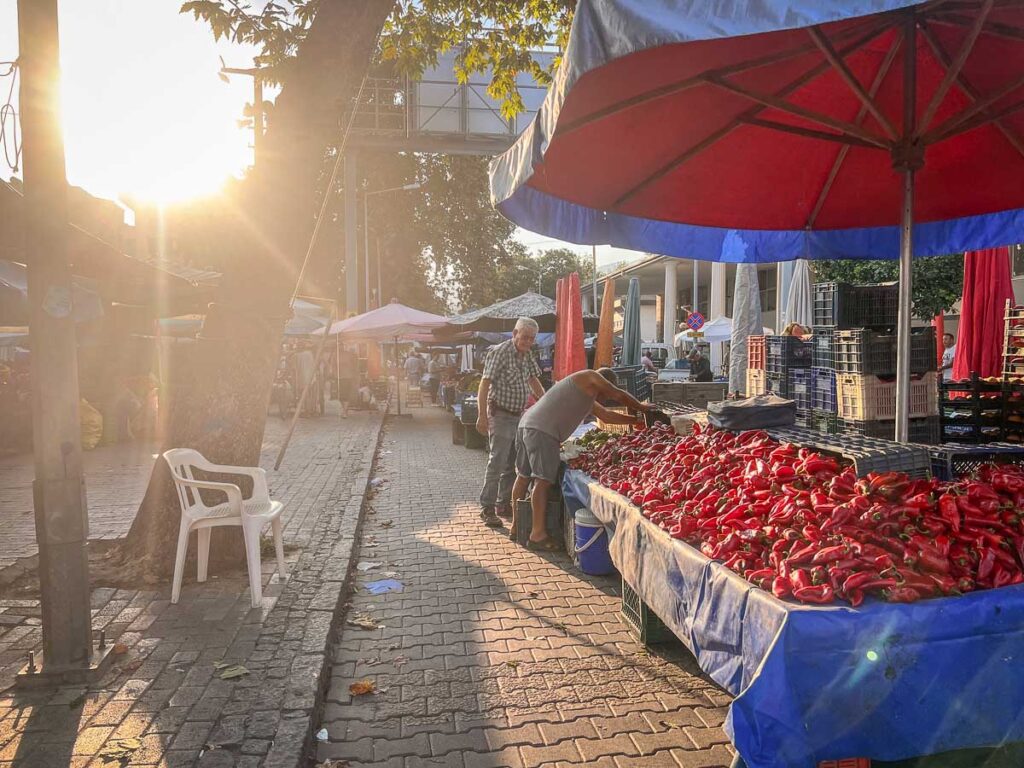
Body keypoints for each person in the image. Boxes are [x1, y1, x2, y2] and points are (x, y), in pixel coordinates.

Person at [512, 369, 652, 550]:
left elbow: (606, 416)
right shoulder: (588, 376)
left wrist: (635, 421)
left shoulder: (584, 393)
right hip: (543, 431)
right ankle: (537, 534)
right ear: (602, 383)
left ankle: (516, 527)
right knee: (543, 481)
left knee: (523, 477)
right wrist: (643, 409)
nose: (605, 398)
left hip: (527, 425)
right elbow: (617, 394)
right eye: (605, 391)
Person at [475, 317, 544, 529]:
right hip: (500, 414)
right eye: (524, 337)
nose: (527, 342)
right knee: (497, 461)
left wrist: (546, 402)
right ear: (515, 334)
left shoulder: (528, 354)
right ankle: (486, 507)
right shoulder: (500, 352)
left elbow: (533, 379)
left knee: (512, 463)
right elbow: (484, 384)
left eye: (531, 338)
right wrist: (482, 415)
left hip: (519, 414)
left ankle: (502, 504)